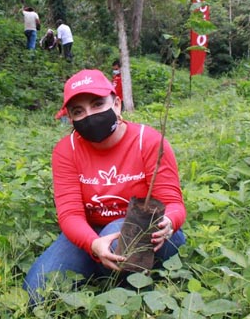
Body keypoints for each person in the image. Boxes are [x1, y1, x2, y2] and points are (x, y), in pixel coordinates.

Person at [23, 69, 186, 306]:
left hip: (145, 226)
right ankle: (103, 266)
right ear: (70, 119)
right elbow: (70, 214)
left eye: (98, 104)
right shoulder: (66, 151)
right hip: (92, 229)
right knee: (36, 293)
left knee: (120, 240)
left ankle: (121, 284)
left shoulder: (148, 141)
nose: (89, 116)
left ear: (117, 104)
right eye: (78, 111)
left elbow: (173, 203)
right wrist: (92, 243)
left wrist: (169, 222)